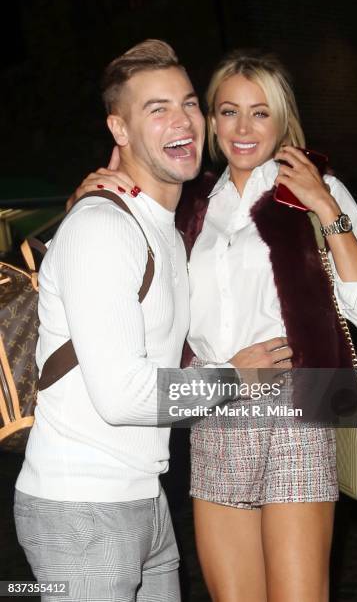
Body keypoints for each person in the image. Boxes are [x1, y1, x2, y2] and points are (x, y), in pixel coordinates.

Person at [74, 49, 357, 602]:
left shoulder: (315, 191)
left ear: (283, 118)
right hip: (214, 410)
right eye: (228, 111)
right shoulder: (190, 200)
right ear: (211, 121)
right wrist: (93, 197)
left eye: (260, 112)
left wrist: (327, 208)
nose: (244, 128)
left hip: (296, 411)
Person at [14, 40, 287, 602]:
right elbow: (122, 396)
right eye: (155, 109)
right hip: (82, 512)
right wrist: (234, 379)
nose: (181, 120)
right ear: (120, 130)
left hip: (144, 499)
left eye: (187, 103)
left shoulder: (168, 223)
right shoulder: (103, 228)